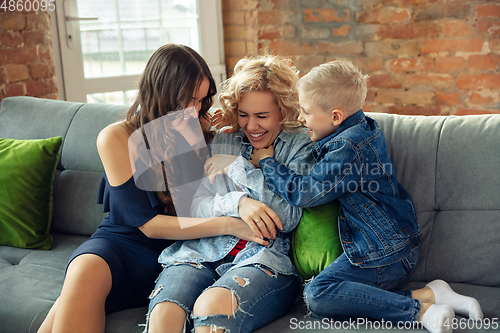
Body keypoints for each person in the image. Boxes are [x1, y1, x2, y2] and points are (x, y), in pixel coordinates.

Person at [37, 44, 267, 333]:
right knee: (83, 272)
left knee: (60, 314)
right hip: (122, 246)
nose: (195, 109)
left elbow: (259, 137)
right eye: (186, 99)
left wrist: (236, 122)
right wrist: (230, 225)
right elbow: (148, 226)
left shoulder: (198, 124)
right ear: (161, 92)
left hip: (176, 253)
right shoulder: (116, 137)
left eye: (201, 99)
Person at [249, 60, 483, 333]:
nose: (301, 119)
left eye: (306, 112)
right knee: (320, 293)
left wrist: (267, 161)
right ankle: (432, 294)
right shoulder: (359, 128)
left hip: (385, 252)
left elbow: (304, 193)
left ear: (336, 117)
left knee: (318, 294)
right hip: (387, 245)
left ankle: (421, 310)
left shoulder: (346, 148)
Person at [146, 54, 316, 333]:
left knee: (212, 306)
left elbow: (287, 216)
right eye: (243, 115)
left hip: (262, 259)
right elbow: (193, 207)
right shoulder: (224, 138)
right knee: (165, 314)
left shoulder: (299, 145)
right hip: (202, 251)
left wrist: (240, 167)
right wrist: (238, 203)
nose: (251, 126)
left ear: (283, 110)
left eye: (262, 116)